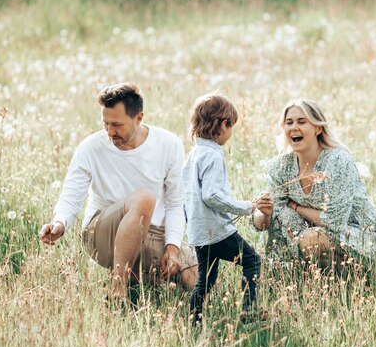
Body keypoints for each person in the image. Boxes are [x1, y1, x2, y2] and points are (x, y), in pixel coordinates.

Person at [39, 83, 197, 301]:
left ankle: (137, 277)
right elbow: (71, 194)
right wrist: (59, 223)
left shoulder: (169, 144)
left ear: (139, 118)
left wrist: (172, 247)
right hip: (101, 233)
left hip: (151, 233)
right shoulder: (90, 147)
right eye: (105, 123)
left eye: (117, 125)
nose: (110, 132)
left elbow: (175, 203)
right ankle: (118, 289)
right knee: (144, 198)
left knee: (195, 278)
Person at [252, 99, 376, 271]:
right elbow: (266, 223)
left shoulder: (338, 161)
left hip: (357, 235)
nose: (294, 127)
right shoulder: (281, 167)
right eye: (289, 123)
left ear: (318, 128)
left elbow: (334, 221)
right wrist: (264, 213)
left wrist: (295, 206)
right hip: (312, 235)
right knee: (287, 219)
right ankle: (302, 277)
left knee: (311, 238)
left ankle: (353, 282)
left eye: (302, 121)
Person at [183, 94, 270, 325]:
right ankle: (250, 315)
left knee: (205, 281)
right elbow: (211, 195)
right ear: (223, 124)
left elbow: (185, 196)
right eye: (231, 126)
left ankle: (193, 322)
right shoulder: (212, 156)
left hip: (199, 233)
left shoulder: (192, 156)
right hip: (217, 230)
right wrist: (247, 207)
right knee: (252, 260)